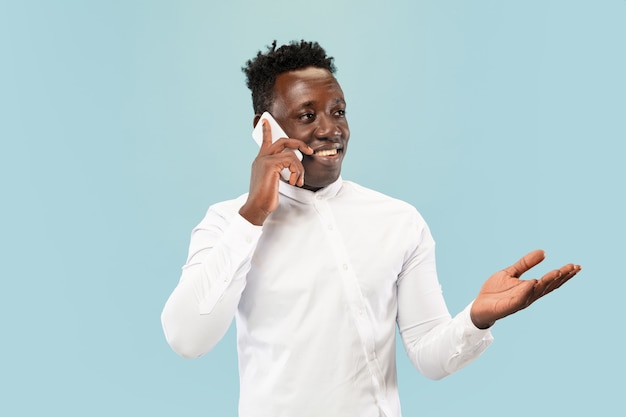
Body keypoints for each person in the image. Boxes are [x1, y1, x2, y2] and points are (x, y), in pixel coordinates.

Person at [161, 40, 581, 417]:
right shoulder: (226, 223)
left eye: (338, 111)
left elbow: (430, 357)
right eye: (307, 115)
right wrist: (253, 213)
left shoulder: (398, 220)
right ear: (264, 128)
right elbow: (187, 339)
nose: (331, 129)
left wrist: (476, 319)